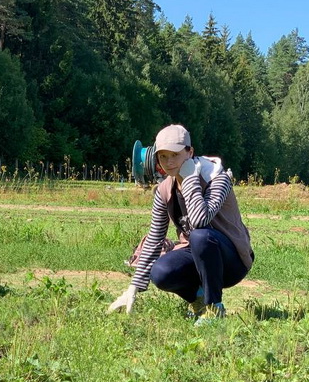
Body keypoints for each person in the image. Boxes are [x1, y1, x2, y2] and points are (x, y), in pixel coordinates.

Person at [108, 124, 253, 324]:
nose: (169, 162)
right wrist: (132, 288)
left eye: (175, 154)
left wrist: (190, 178)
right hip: (197, 254)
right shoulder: (164, 190)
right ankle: (199, 300)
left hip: (231, 260)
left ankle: (213, 307)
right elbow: (154, 237)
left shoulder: (217, 178)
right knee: (160, 272)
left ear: (190, 152)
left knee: (200, 235)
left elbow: (200, 220)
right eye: (163, 156)